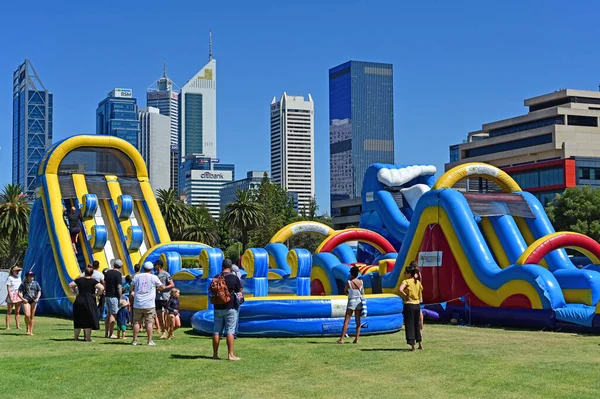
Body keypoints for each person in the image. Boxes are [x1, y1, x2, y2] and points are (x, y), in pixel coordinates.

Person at [212, 258, 242, 361]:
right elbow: (240, 291)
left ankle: (215, 354)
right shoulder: (234, 278)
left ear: (222, 266)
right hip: (230, 307)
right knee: (230, 331)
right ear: (230, 267)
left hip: (217, 307)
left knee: (216, 331)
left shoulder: (216, 277)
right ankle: (230, 355)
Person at [130, 261, 164, 346]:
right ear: (151, 269)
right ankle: (149, 341)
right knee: (149, 322)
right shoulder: (154, 277)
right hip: (149, 304)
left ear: (143, 268)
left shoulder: (137, 276)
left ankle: (134, 340)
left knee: (136, 322)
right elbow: (162, 287)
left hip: (138, 303)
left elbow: (131, 288)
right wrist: (157, 288)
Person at [69, 267, 104, 342]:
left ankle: (76, 337)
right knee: (88, 318)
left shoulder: (79, 280)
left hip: (79, 299)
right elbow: (101, 288)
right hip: (89, 299)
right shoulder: (93, 281)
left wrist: (75, 293)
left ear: (85, 272)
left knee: (78, 318)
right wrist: (97, 294)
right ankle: (88, 338)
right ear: (92, 273)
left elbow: (71, 285)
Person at [336, 266, 365, 344]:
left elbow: (345, 291)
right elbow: (362, 292)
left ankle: (341, 339)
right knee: (358, 321)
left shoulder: (349, 282)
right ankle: (357, 339)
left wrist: (348, 293)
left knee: (347, 320)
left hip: (351, 301)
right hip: (358, 301)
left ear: (351, 274)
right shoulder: (361, 282)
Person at [399, 265, 424, 351]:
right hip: (417, 305)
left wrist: (406, 296)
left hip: (409, 305)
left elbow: (400, 289)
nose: (404, 274)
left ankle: (413, 346)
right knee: (416, 324)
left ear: (410, 274)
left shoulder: (406, 281)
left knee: (410, 325)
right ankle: (420, 343)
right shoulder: (418, 282)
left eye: (405, 272)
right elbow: (420, 294)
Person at [154, 259, 174, 339]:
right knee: (159, 315)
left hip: (165, 297)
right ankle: (163, 332)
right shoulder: (155, 275)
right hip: (157, 298)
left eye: (155, 265)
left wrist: (164, 287)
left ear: (159, 266)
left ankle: (170, 331)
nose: (154, 267)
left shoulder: (166, 274)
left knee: (168, 315)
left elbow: (172, 284)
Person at [103, 259, 123, 338]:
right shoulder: (118, 274)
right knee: (113, 314)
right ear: (120, 266)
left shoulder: (107, 273)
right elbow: (119, 286)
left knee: (108, 314)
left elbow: (104, 283)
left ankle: (106, 332)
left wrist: (105, 291)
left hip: (107, 295)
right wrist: (120, 296)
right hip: (114, 296)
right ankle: (111, 333)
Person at [18, 272, 42, 336]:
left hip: (34, 301)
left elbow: (39, 291)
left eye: (32, 275)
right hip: (26, 300)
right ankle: (27, 328)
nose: (32, 277)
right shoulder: (23, 284)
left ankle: (31, 331)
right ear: (27, 277)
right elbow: (19, 292)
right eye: (30, 276)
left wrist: (37, 298)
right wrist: (23, 299)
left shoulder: (36, 283)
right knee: (27, 315)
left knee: (32, 316)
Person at [5, 266, 23, 330]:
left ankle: (18, 326)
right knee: (9, 311)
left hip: (18, 295)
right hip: (12, 294)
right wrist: (11, 297)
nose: (17, 272)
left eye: (18, 271)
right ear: (12, 271)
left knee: (17, 311)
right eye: (16, 270)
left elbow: (20, 287)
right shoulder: (10, 278)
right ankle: (7, 326)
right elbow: (8, 288)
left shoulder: (19, 278)